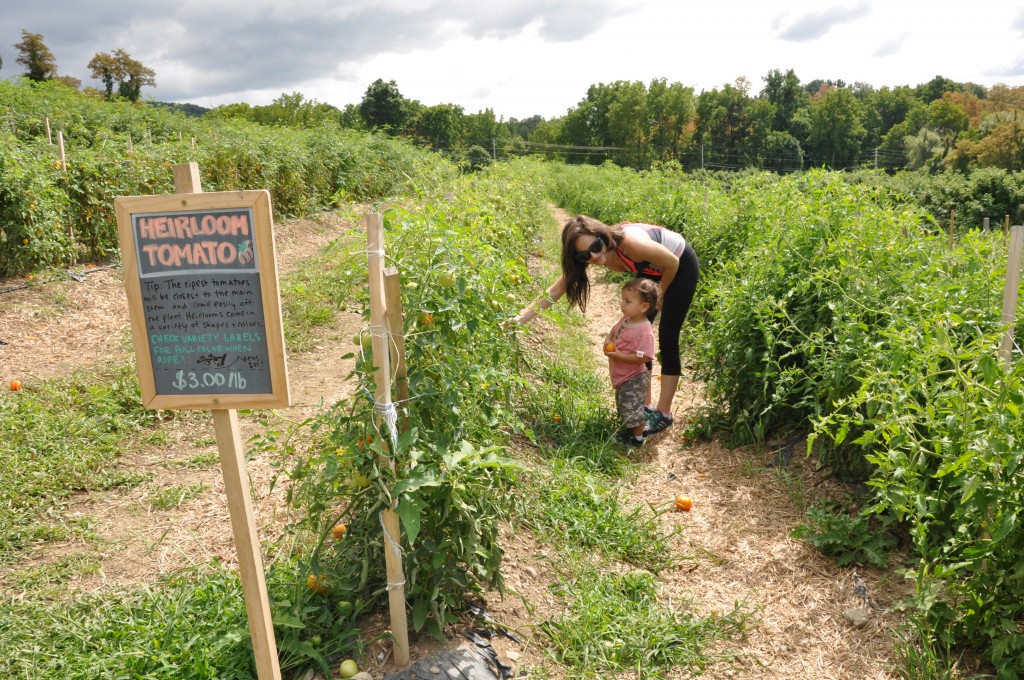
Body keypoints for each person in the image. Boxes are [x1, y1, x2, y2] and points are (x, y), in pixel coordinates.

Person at [514, 215, 699, 435]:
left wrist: (659, 297)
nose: (593, 255)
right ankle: (645, 407)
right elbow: (554, 291)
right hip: (652, 270)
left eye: (596, 246)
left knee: (667, 337)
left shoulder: (631, 244)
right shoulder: (593, 257)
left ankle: (664, 414)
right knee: (636, 335)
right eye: (584, 255)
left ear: (602, 235)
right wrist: (519, 319)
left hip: (678, 265)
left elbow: (672, 263)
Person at [604, 278, 658, 447]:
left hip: (634, 378)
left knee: (633, 409)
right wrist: (608, 342)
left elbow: (645, 357)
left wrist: (618, 355)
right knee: (624, 406)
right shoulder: (625, 320)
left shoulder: (644, 330)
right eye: (623, 300)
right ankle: (630, 432)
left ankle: (637, 438)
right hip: (622, 375)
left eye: (628, 301)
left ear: (644, 306)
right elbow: (612, 334)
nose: (622, 304)